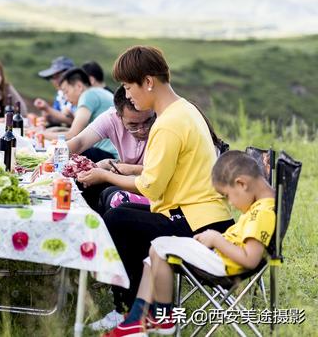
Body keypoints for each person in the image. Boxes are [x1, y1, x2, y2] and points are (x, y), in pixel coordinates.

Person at [88, 45, 234, 332]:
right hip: (205, 216)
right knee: (123, 211)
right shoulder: (185, 109)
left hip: (199, 225)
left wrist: (104, 176)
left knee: (117, 218)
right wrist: (119, 171)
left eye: (129, 87)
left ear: (149, 82)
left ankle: (131, 310)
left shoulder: (167, 124)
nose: (127, 95)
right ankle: (140, 305)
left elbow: (151, 187)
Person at [103, 151, 276, 337]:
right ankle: (139, 318)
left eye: (228, 195)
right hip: (219, 256)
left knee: (160, 247)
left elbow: (249, 260)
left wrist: (216, 238)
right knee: (155, 252)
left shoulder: (262, 213)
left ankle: (162, 319)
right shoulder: (260, 206)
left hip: (224, 265)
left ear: (241, 184)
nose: (231, 203)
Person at [66, 85, 154, 212]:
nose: (141, 130)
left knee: (112, 198)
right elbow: (80, 141)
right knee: (85, 183)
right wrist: (49, 162)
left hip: (152, 187)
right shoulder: (111, 118)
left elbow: (158, 176)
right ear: (119, 116)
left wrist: (126, 169)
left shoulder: (162, 123)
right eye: (133, 125)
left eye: (147, 122)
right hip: (132, 178)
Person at [43, 68, 118, 162]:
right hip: (111, 153)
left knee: (68, 152)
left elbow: (72, 134)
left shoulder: (88, 95)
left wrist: (42, 134)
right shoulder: (98, 92)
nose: (66, 98)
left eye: (66, 92)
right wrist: (54, 131)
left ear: (79, 86)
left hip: (109, 155)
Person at [34, 56, 75, 126]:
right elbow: (58, 118)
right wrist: (47, 117)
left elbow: (72, 121)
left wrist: (47, 109)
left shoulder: (77, 94)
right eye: (53, 77)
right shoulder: (60, 95)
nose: (55, 81)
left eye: (58, 76)